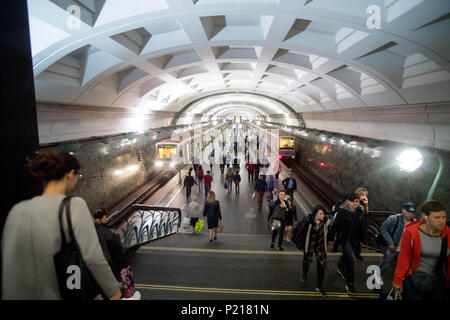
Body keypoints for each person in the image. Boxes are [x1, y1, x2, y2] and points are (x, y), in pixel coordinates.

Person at [1, 150, 121, 300]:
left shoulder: (17, 211)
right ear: (70, 174)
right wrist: (113, 291)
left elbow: (9, 261)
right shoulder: (74, 206)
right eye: (77, 175)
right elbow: (93, 257)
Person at [393, 200, 449, 300]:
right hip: (413, 281)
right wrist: (398, 280)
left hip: (437, 283)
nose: (441, 221)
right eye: (437, 217)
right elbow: (404, 257)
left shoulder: (447, 234)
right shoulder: (411, 232)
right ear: (425, 216)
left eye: (444, 217)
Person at [93, 209, 140, 299]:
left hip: (96, 265)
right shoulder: (108, 232)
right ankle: (128, 294)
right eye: (105, 218)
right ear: (102, 218)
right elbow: (118, 250)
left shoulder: (88, 231)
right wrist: (124, 264)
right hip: (110, 264)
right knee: (118, 284)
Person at [327, 192, 363, 295]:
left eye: (358, 201)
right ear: (348, 201)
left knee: (346, 255)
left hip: (355, 238)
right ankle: (350, 284)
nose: (356, 204)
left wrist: (362, 238)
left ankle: (340, 267)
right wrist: (330, 239)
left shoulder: (360, 210)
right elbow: (334, 226)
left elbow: (362, 224)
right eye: (354, 202)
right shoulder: (342, 211)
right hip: (344, 239)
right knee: (351, 259)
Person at [297, 205, 332, 297]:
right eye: (320, 213)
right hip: (309, 245)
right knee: (306, 262)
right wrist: (301, 247)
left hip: (320, 246)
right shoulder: (308, 222)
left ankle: (319, 286)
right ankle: (305, 273)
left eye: (323, 214)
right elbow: (300, 233)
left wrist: (330, 241)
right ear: (315, 214)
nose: (323, 215)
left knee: (321, 265)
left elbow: (330, 233)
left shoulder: (326, 223)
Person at [378, 202, 417, 282]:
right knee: (386, 262)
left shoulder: (414, 222)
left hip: (404, 248)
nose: (411, 214)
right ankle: (378, 278)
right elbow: (383, 229)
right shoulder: (394, 218)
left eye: (412, 212)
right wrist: (390, 242)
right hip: (393, 246)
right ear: (403, 210)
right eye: (409, 211)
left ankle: (401, 282)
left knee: (405, 266)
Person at [351, 187, 369, 261]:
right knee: (353, 242)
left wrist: (366, 205)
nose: (364, 197)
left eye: (365, 195)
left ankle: (357, 254)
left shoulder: (363, 204)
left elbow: (365, 214)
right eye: (363, 195)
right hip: (353, 226)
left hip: (360, 226)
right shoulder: (354, 202)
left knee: (358, 241)